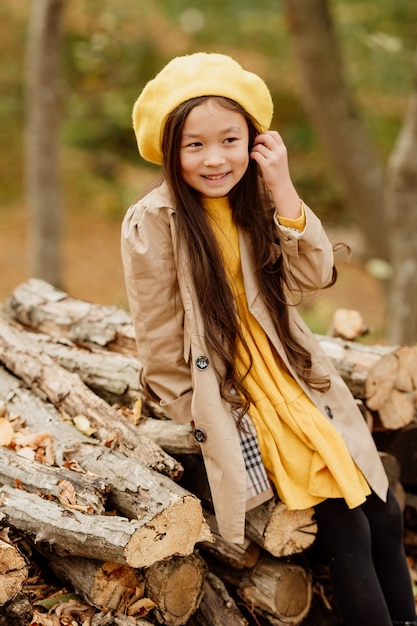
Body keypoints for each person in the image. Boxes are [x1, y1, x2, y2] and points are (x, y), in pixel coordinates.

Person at [121, 52, 416, 626]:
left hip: (296, 375)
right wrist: (206, 416)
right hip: (241, 394)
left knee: (384, 514)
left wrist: (282, 188)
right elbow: (157, 340)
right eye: (194, 145)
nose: (214, 159)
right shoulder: (154, 220)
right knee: (347, 525)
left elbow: (312, 277)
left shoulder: (256, 197)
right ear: (169, 150)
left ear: (255, 140)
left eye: (230, 140)